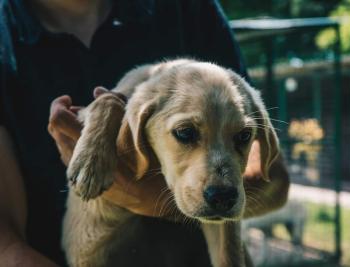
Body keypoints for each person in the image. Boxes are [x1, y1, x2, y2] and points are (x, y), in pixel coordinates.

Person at [0, 0, 289, 266]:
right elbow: (7, 244)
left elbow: (274, 181)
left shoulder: (188, 9)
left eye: (240, 138)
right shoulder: (5, 35)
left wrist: (145, 198)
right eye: (186, 133)